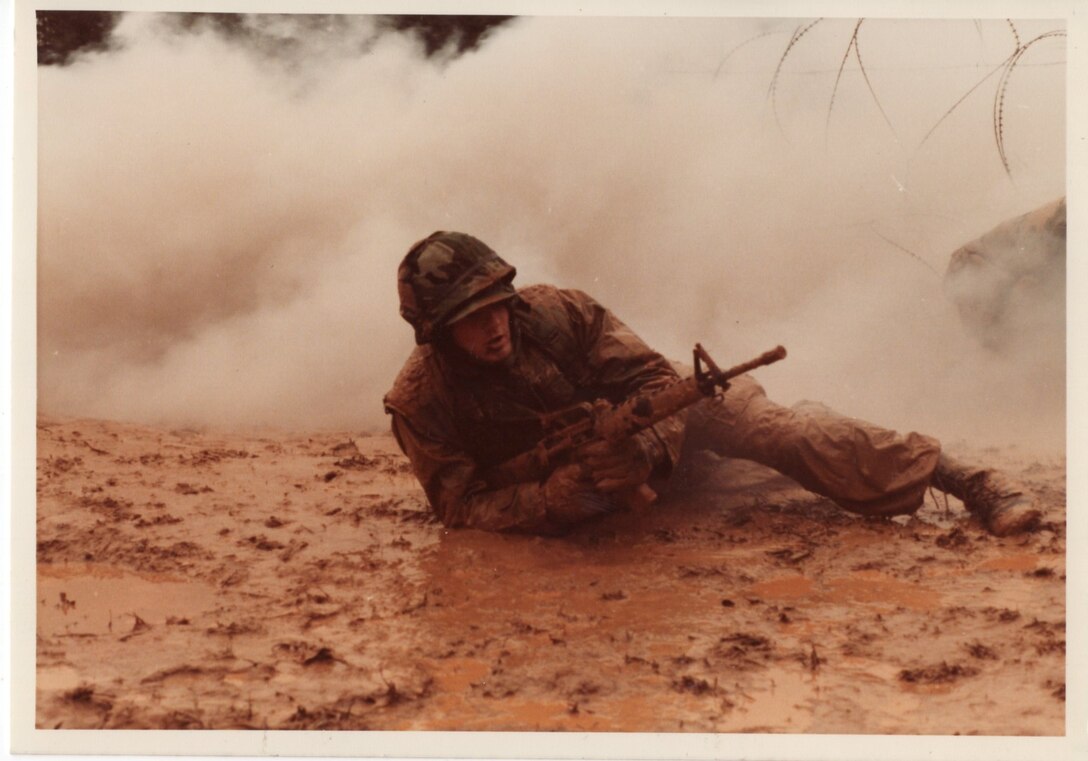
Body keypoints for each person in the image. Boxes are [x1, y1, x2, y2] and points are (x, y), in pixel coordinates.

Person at [383, 231, 1042, 537]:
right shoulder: (420, 403)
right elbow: (461, 507)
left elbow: (655, 378)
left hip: (656, 429)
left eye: (497, 303)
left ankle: (962, 478)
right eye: (471, 319)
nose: (494, 325)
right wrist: (548, 497)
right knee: (760, 491)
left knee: (778, 432)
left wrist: (642, 450)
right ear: (436, 331)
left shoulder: (559, 311)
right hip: (580, 497)